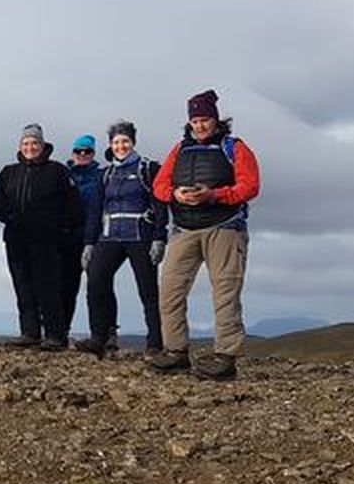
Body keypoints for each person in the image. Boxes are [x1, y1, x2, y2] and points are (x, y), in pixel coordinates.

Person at [149, 90, 261, 380]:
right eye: (195, 120)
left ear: (216, 120)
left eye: (205, 120)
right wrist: (175, 193)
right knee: (170, 289)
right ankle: (175, 351)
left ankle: (226, 357)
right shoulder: (179, 150)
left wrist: (214, 195)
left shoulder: (234, 147)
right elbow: (159, 186)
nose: (199, 125)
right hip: (184, 228)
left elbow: (250, 186)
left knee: (225, 291)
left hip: (224, 227)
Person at [75, 121, 167, 359]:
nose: (121, 146)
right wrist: (89, 243)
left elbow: (160, 204)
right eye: (116, 142)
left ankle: (155, 343)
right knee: (95, 281)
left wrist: (160, 237)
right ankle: (99, 337)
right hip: (109, 235)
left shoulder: (149, 168)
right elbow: (95, 210)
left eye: (125, 141)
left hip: (140, 235)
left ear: (133, 142)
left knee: (147, 289)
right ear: (110, 145)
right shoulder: (105, 175)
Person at [0, 124, 82, 350]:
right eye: (26, 143)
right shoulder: (9, 172)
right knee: (23, 286)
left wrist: (61, 228)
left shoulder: (57, 171)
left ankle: (55, 335)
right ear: (20, 147)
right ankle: (29, 332)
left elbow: (72, 206)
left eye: (35, 143)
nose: (30, 147)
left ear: (43, 146)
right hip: (16, 238)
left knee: (48, 287)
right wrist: (10, 216)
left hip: (47, 239)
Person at [63, 133, 103, 333]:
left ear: (93, 153)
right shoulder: (63, 175)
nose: (82, 154)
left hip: (95, 237)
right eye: (79, 150)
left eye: (87, 151)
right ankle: (62, 330)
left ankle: (104, 332)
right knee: (67, 286)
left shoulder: (101, 176)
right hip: (68, 237)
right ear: (73, 152)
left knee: (98, 285)